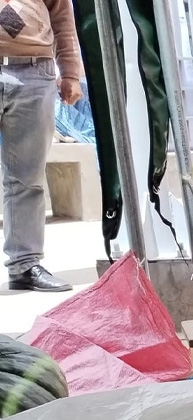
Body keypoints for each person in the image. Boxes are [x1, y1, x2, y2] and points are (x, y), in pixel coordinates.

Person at [2, 0, 84, 292]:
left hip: (35, 74)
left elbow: (62, 18)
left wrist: (71, 73)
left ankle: (25, 264)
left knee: (27, 177)